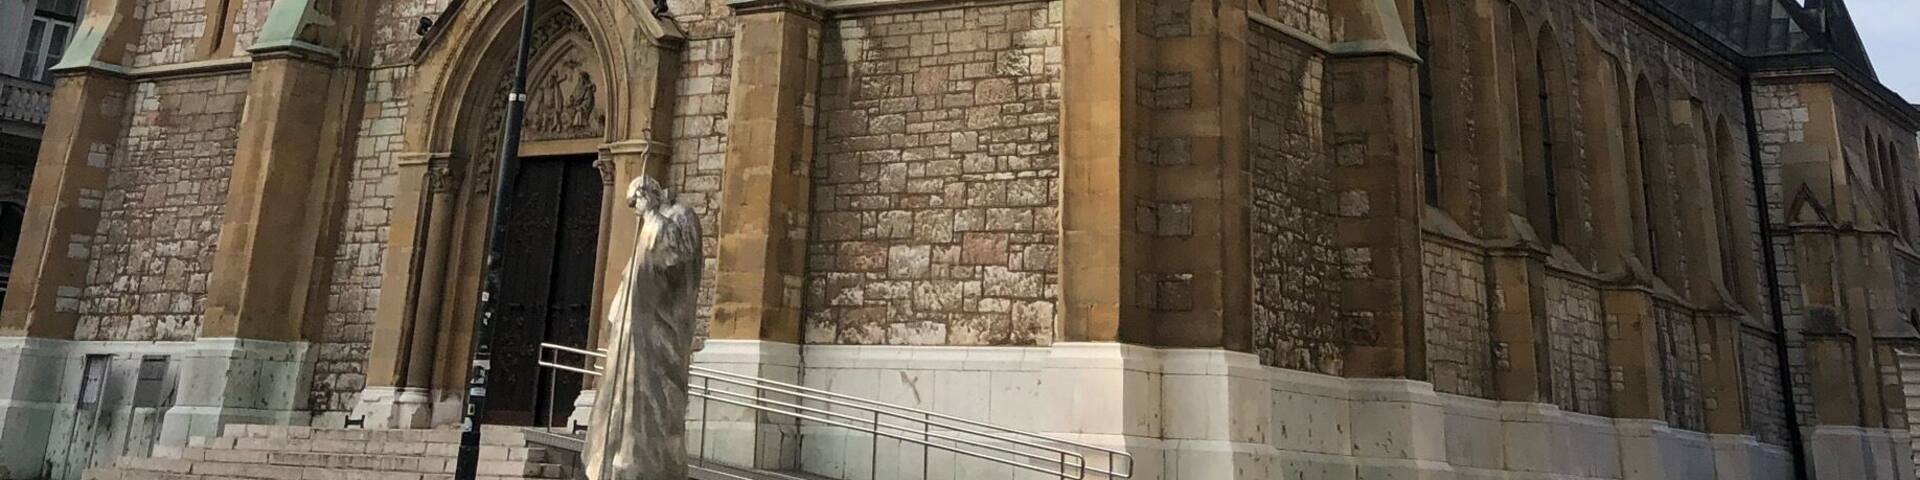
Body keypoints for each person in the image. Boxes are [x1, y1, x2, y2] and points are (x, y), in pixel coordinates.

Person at [583, 176, 703, 480]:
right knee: (620, 401)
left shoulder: (677, 217)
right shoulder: (656, 221)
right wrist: (616, 310)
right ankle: (616, 464)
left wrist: (651, 215)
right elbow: (632, 277)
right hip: (632, 333)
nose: (635, 212)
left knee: (652, 405)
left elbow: (670, 261)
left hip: (657, 335)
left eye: (635, 204)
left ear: (647, 194)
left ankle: (641, 467)